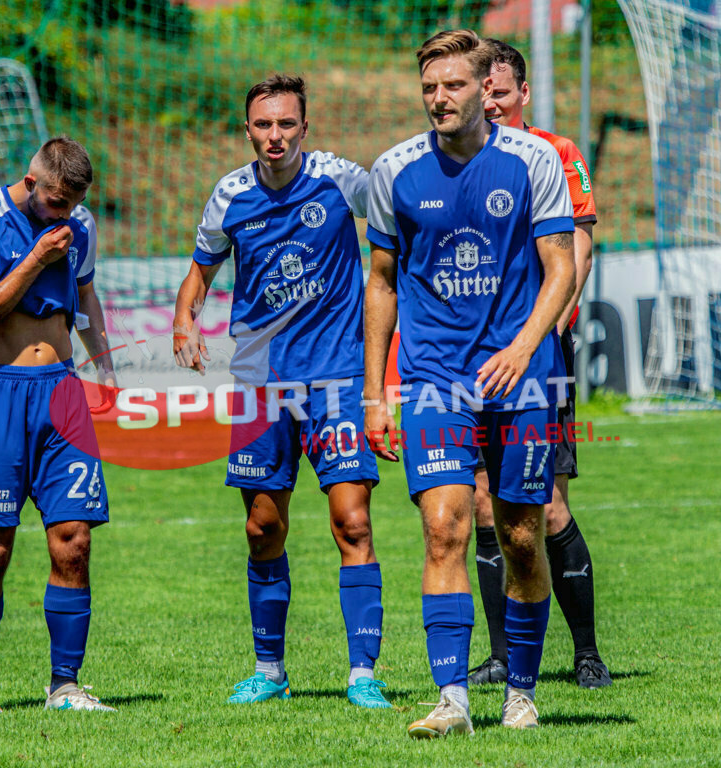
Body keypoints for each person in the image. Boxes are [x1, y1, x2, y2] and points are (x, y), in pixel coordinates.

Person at [365, 30, 576, 736]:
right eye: (428, 88)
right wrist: (376, 389)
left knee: (520, 534)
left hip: (523, 378)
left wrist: (523, 346)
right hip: (434, 378)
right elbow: (382, 284)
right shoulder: (393, 171)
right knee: (444, 526)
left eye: (452, 86)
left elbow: (562, 269)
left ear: (485, 89)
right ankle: (452, 699)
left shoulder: (532, 160)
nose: (438, 99)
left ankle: (521, 691)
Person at [173, 75, 389, 709]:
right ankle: (269, 670)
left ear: (305, 127)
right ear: (248, 130)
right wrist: (185, 319)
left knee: (352, 521)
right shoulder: (228, 196)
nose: (275, 136)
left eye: (286, 124)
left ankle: (363, 675)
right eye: (263, 126)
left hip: (338, 379)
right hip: (260, 385)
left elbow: (401, 218)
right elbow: (200, 270)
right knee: (262, 527)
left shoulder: (339, 180)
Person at [0, 137, 118, 714]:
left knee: (74, 542)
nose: (62, 215)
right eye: (53, 202)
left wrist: (105, 370)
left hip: (64, 395)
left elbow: (87, 296)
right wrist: (37, 258)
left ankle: (65, 687)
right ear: (30, 180)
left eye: (71, 205)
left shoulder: (81, 224)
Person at [467, 38, 611, 690]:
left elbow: (577, 253)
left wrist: (539, 337)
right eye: (483, 92)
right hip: (472, 363)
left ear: (522, 93)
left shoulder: (559, 154)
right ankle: (502, 655)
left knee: (546, 505)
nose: (490, 104)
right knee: (479, 505)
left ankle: (585, 652)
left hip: (538, 358)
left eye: (500, 92)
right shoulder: (460, 159)